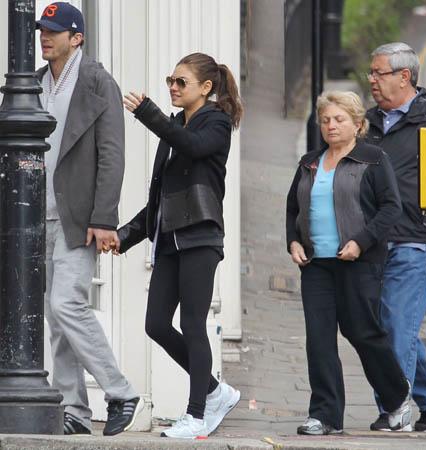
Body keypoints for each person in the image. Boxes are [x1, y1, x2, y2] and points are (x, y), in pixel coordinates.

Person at [117, 52, 243, 439]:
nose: (172, 87)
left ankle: (196, 415)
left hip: (201, 237)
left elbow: (192, 146)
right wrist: (124, 236)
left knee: (192, 324)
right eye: (170, 80)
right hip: (170, 238)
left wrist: (148, 114)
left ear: (205, 88)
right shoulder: (174, 127)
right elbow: (160, 197)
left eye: (180, 82)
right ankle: (215, 392)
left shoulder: (216, 123)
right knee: (156, 324)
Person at [36, 2, 142, 436]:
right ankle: (75, 411)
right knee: (55, 317)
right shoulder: (37, 83)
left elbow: (112, 155)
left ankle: (120, 391)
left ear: (76, 37)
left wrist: (104, 217)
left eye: (55, 31)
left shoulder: (97, 81)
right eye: (43, 29)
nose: (46, 36)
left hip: (79, 216)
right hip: (36, 217)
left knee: (67, 304)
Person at [286, 91, 411, 435]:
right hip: (316, 266)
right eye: (325, 120)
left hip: (359, 262)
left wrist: (361, 241)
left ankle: (397, 397)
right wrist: (293, 241)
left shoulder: (372, 159)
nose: (331, 125)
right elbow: (293, 210)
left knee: (363, 332)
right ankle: (325, 416)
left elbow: (391, 208)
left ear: (357, 125)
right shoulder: (309, 162)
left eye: (339, 119)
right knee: (319, 339)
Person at [365, 42, 426, 433]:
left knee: (397, 326)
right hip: (372, 243)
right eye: (370, 73)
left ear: (404, 77)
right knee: (382, 328)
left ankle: (394, 410)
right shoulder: (364, 123)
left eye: (378, 73)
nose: (371, 81)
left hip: (417, 239)